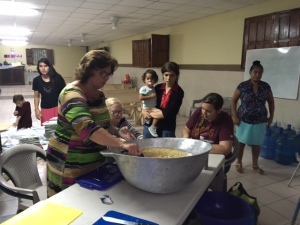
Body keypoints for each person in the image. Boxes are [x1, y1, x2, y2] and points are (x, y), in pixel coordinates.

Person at [47, 50, 142, 197]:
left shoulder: (98, 93)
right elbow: (88, 128)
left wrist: (116, 131)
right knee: (71, 203)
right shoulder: (71, 94)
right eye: (103, 73)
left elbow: (101, 123)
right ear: (88, 70)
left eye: (108, 74)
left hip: (93, 159)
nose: (106, 79)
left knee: (91, 199)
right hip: (69, 161)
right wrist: (121, 144)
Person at [232, 60, 275, 175]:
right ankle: (239, 162)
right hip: (243, 119)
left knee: (257, 143)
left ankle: (255, 164)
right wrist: (234, 116)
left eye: (260, 72)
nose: (257, 74)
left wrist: (271, 117)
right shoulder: (243, 86)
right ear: (250, 72)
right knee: (241, 142)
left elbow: (271, 102)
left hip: (260, 120)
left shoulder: (266, 87)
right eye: (255, 72)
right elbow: (233, 101)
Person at [182, 93, 234, 173]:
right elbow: (186, 129)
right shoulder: (199, 112)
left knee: (205, 176)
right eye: (203, 108)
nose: (204, 113)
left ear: (219, 110)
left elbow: (225, 148)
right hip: (198, 154)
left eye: (209, 111)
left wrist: (198, 147)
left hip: (216, 157)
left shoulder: (225, 120)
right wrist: (186, 137)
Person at [143, 62, 184, 138]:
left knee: (165, 149)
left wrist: (149, 112)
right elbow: (147, 103)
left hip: (167, 127)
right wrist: (144, 111)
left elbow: (168, 113)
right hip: (149, 125)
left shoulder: (179, 92)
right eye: (166, 75)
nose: (168, 78)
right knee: (146, 148)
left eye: (172, 75)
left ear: (177, 76)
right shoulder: (157, 88)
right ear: (163, 75)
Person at [32, 58, 66, 125]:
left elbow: (64, 94)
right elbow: (36, 96)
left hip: (58, 107)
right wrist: (36, 109)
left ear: (49, 67)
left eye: (45, 66)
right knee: (47, 130)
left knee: (59, 129)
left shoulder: (58, 78)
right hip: (45, 108)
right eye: (41, 66)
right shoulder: (36, 80)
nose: (43, 68)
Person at [139, 69, 160, 137]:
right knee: (157, 114)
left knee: (157, 115)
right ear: (144, 80)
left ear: (155, 80)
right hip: (147, 107)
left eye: (152, 79)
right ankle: (152, 127)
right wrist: (150, 96)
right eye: (148, 79)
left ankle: (152, 126)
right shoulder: (144, 88)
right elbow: (140, 98)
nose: (150, 81)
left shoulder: (154, 88)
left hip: (153, 107)